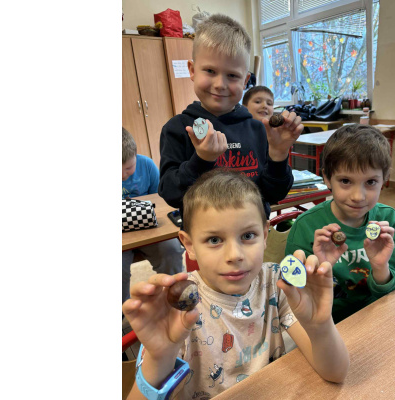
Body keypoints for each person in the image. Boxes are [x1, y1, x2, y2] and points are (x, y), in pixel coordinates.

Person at [123, 169, 349, 399]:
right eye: (214, 240)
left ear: (265, 235)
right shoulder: (177, 312)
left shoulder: (276, 283)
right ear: (189, 245)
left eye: (248, 236)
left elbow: (335, 373)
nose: (234, 255)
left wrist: (320, 327)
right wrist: (159, 358)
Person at [158, 14, 303, 220]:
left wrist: (278, 154)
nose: (220, 84)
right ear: (192, 70)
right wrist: (201, 160)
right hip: (204, 235)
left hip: (252, 232)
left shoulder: (259, 129)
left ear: (245, 80)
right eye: (210, 71)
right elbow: (170, 193)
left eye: (232, 75)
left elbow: (273, 194)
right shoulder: (178, 129)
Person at [285, 124, 395, 323]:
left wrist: (380, 267)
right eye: (345, 181)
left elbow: (389, 292)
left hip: (375, 315)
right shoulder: (306, 227)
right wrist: (321, 269)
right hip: (327, 322)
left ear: (384, 179)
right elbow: (295, 297)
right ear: (327, 178)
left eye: (370, 182)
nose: (358, 196)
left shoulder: (389, 222)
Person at [122, 127, 184, 303]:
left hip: (149, 226)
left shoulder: (147, 165)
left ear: (135, 155)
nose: (122, 175)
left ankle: (175, 295)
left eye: (129, 168)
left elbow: (161, 201)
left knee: (171, 249)